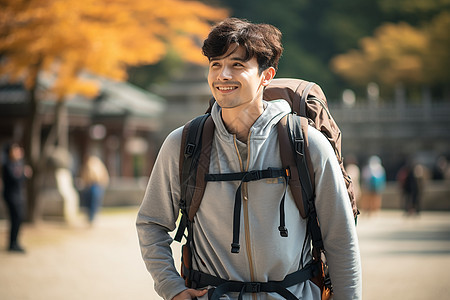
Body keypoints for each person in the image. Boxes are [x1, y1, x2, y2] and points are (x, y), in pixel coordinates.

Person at [136, 18, 361, 300]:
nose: (222, 75)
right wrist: (173, 289)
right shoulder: (183, 144)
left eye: (237, 65)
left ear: (266, 76)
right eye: (215, 64)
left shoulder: (306, 144)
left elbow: (340, 240)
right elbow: (151, 223)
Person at [1, 143, 31, 253]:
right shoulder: (7, 164)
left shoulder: (18, 163)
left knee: (19, 219)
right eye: (15, 150)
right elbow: (15, 178)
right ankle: (12, 243)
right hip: (11, 196)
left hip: (18, 196)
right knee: (15, 219)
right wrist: (24, 174)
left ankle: (15, 242)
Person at [80, 155, 109, 225]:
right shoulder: (89, 166)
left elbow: (104, 177)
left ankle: (91, 217)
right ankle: (91, 217)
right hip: (91, 186)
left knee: (93, 203)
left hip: (95, 186)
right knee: (91, 203)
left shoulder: (96, 167)